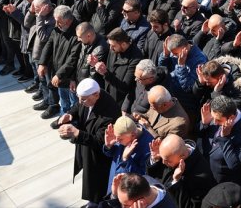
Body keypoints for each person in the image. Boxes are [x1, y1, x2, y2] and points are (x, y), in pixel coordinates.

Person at [56, 78, 121, 207]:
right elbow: (78, 106)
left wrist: (77, 133)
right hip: (87, 150)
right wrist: (70, 115)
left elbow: (100, 142)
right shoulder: (89, 96)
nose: (80, 101)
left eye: (84, 99)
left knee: (97, 185)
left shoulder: (110, 113)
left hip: (99, 158)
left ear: (96, 95)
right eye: (79, 97)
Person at [146, 134, 216, 208]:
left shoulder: (201, 177)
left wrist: (176, 181)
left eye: (167, 161)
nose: (163, 162)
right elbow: (153, 178)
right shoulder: (171, 153)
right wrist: (155, 159)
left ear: (182, 157)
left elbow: (190, 206)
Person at [198, 95, 241, 185]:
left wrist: (225, 138)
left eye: (218, 120)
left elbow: (234, 164)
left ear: (231, 118)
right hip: (205, 168)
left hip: (220, 180)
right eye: (213, 118)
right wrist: (205, 124)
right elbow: (200, 135)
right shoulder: (216, 117)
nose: (215, 123)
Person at [102, 117, 153, 195]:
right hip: (114, 186)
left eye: (120, 139)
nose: (117, 141)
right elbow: (114, 156)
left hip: (128, 192)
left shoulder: (148, 147)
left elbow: (142, 177)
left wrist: (126, 159)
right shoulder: (124, 134)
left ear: (133, 135)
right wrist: (108, 146)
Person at [105, 173, 178, 208]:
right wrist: (114, 194)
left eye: (126, 205)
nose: (122, 207)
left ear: (142, 201)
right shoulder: (145, 180)